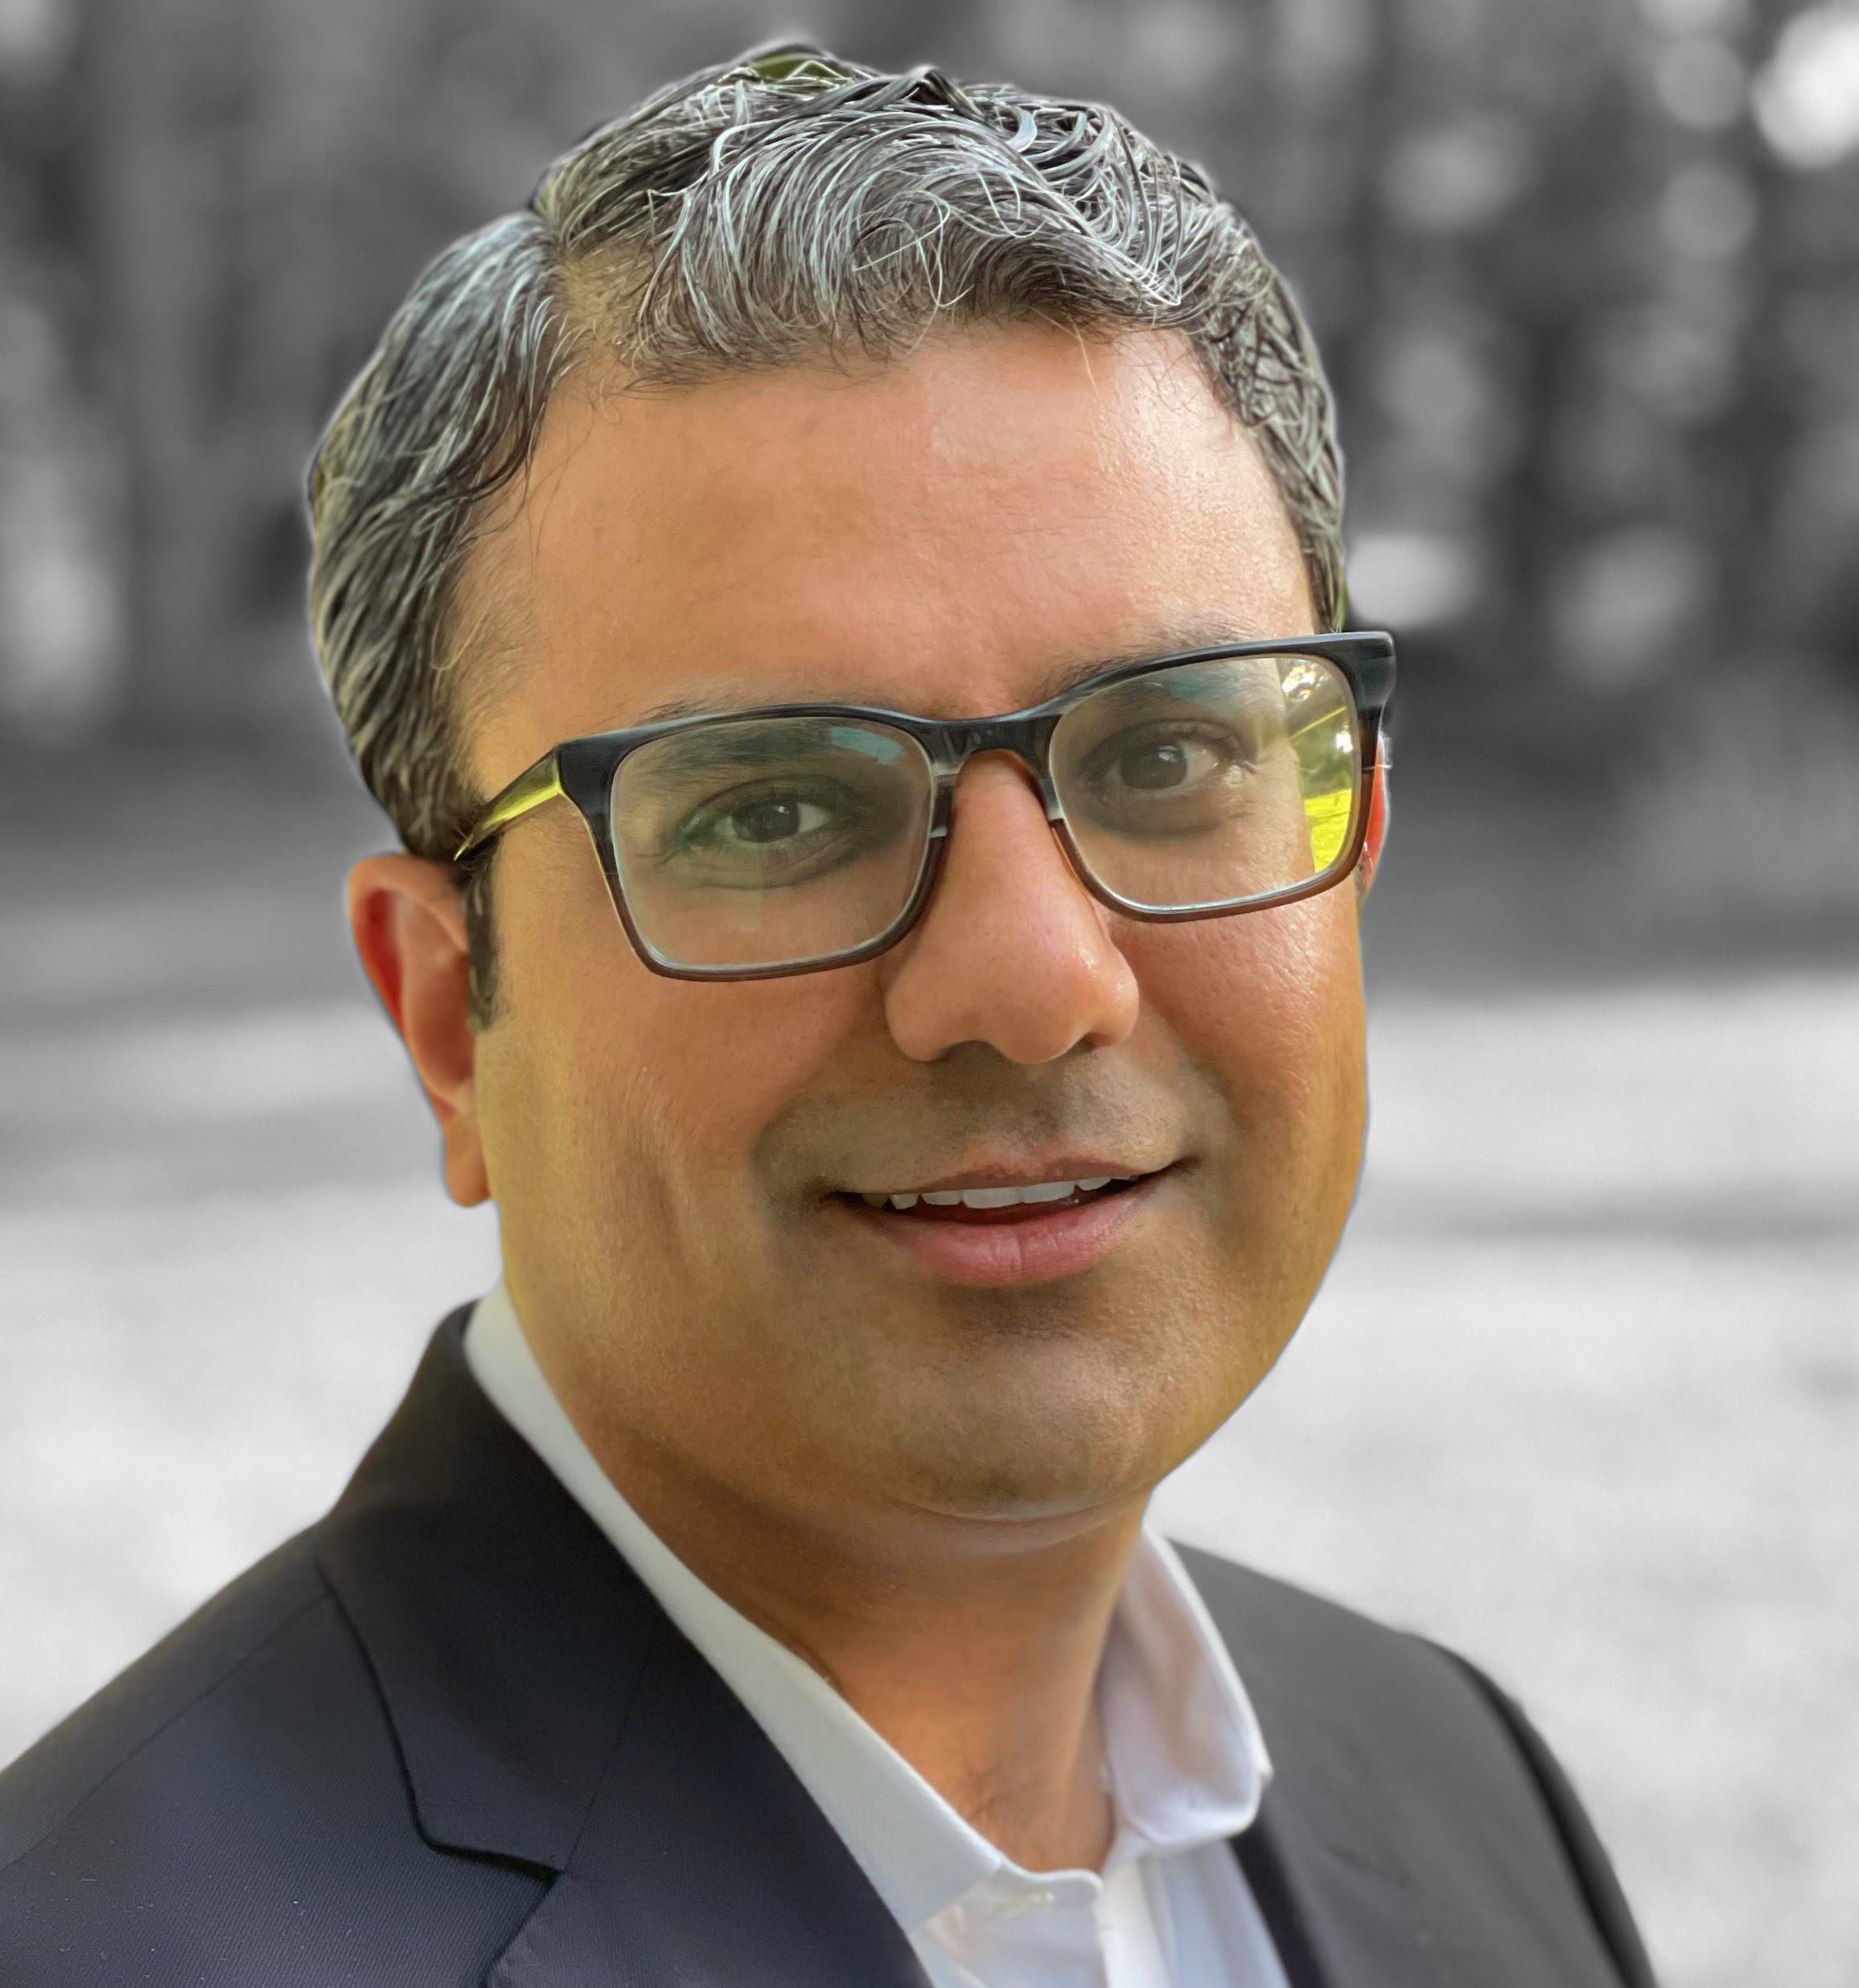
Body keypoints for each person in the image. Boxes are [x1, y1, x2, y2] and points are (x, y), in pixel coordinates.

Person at [0, 47, 1655, 1988]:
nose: (1033, 981)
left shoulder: (1456, 1781)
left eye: (1168, 755)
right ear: (449, 1019)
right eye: (774, 808)